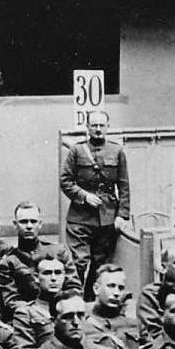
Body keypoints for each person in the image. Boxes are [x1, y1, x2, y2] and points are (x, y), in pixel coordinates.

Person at [59, 122, 127, 285]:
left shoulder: (117, 150)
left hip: (107, 216)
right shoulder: (77, 150)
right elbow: (65, 181)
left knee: (99, 261)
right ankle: (75, 293)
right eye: (94, 125)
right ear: (87, 127)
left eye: (102, 125)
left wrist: (122, 215)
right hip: (80, 216)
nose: (98, 129)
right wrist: (83, 195)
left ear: (107, 127)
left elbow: (124, 185)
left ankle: (90, 294)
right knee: (79, 261)